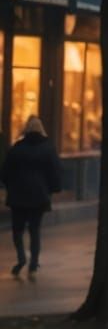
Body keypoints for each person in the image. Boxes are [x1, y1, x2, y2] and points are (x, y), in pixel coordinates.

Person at [2, 115, 64, 278]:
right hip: (39, 195)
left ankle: (21, 258)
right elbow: (55, 172)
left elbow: (6, 172)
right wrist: (53, 190)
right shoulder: (48, 149)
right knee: (35, 230)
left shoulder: (17, 148)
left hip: (18, 196)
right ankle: (33, 265)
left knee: (17, 230)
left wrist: (10, 187)